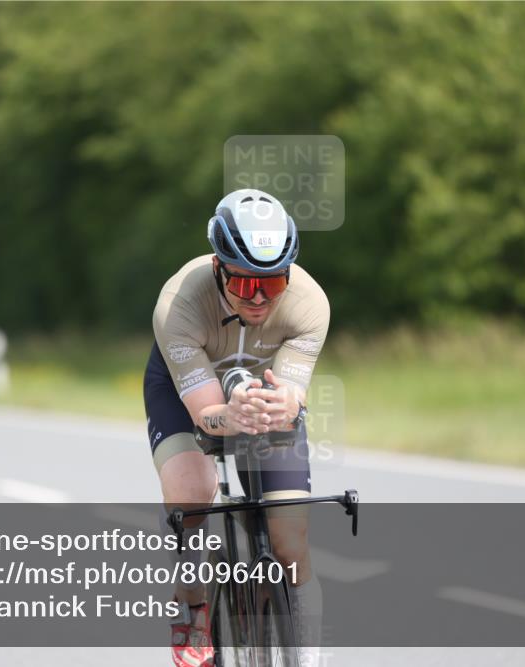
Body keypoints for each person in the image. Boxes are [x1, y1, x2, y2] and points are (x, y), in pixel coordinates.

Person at [144, 188, 329, 667]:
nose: (262, 298)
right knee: (192, 490)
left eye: (275, 282)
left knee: (291, 541)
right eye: (247, 285)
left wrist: (283, 406)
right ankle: (192, 605)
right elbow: (207, 414)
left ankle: (308, 657)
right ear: (218, 267)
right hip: (188, 390)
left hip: (260, 396)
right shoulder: (178, 303)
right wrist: (232, 414)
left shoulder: (310, 305)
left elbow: (290, 396)